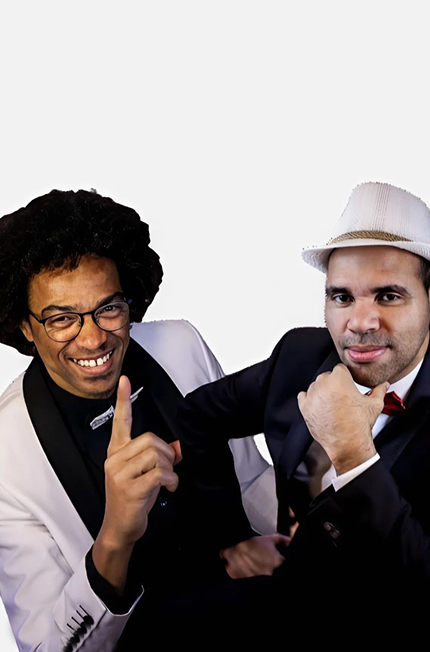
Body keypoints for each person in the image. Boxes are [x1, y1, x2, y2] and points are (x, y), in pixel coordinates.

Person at [0, 189, 278, 651]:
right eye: (62, 319)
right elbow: (50, 646)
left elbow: (250, 481)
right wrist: (115, 536)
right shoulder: (7, 453)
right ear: (26, 327)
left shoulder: (181, 346)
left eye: (109, 308)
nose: (93, 339)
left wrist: (293, 536)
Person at [177, 182, 430, 640]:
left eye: (388, 296)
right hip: (286, 594)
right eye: (342, 297)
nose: (359, 323)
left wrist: (355, 457)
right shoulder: (299, 356)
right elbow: (199, 416)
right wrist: (232, 537)